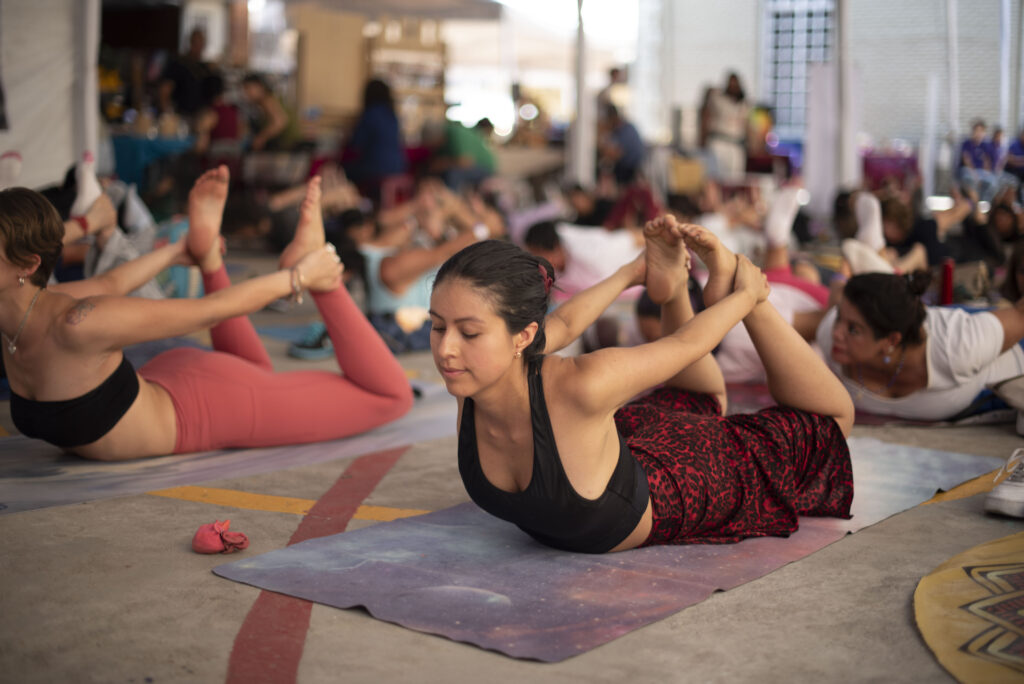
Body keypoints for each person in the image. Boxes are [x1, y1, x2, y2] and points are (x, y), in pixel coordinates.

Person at [429, 215, 854, 553]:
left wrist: (744, 298)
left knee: (832, 421)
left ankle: (744, 291)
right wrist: (632, 272)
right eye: (437, 327)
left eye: (467, 333)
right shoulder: (476, 380)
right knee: (693, 399)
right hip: (631, 455)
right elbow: (565, 321)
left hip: (680, 485)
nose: (446, 350)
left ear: (522, 336)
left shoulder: (583, 385)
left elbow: (686, 344)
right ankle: (670, 288)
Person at [1, 166, 412, 460]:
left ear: (28, 266)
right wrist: (178, 252)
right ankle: (209, 257)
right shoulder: (30, 310)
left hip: (205, 403)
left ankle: (325, 278)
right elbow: (108, 283)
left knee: (391, 397)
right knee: (252, 370)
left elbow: (207, 311)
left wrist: (300, 276)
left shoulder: (79, 322)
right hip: (180, 381)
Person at [816, 271, 1024, 423]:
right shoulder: (830, 336)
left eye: (854, 329)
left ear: (891, 341)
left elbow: (1019, 315)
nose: (837, 333)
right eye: (839, 318)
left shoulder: (958, 346)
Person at [342, 79, 407, 206]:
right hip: (399, 167)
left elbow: (356, 144)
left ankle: (354, 205)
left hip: (376, 168)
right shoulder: (392, 115)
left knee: (344, 170)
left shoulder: (369, 114)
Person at [158, 28, 213, 122]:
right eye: (196, 43)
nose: (198, 46)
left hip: (199, 120)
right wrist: (168, 116)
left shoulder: (204, 68)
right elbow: (164, 91)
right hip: (180, 117)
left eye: (201, 43)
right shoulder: (178, 64)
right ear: (191, 43)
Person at [703, 72, 750, 183]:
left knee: (736, 179)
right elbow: (706, 115)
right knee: (717, 176)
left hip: (736, 144)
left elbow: (747, 125)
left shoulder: (744, 104)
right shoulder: (717, 98)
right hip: (719, 142)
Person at [241, 73, 300, 152]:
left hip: (288, 146)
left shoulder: (268, 100)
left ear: (261, 87)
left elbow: (281, 121)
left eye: (249, 88)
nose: (247, 93)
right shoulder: (262, 104)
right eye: (245, 89)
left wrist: (261, 138)